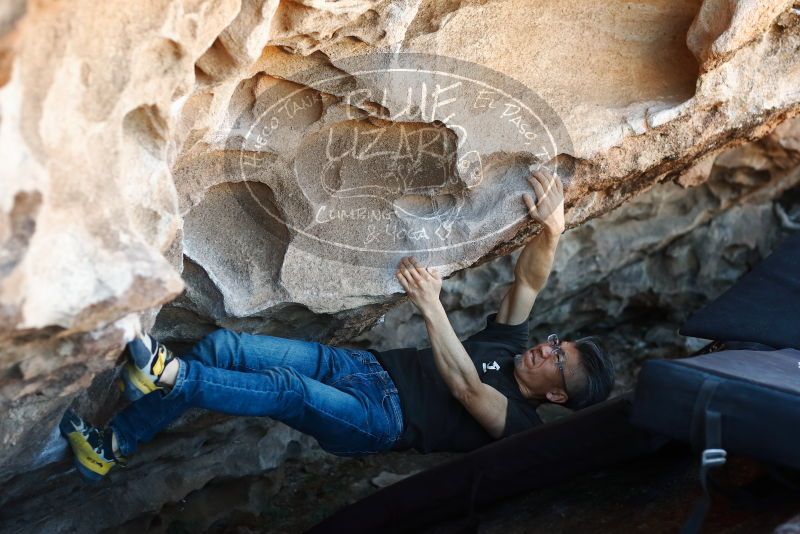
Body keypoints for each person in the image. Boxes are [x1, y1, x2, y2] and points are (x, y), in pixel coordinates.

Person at [59, 170, 615, 482]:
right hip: (362, 368)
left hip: (378, 418)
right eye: (552, 342)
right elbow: (528, 285)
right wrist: (553, 232)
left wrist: (431, 305)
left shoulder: (517, 424)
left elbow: (468, 388)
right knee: (224, 345)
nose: (544, 349)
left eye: (556, 359)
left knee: (288, 392)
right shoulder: (511, 346)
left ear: (558, 394)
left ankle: (170, 376)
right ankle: (112, 445)